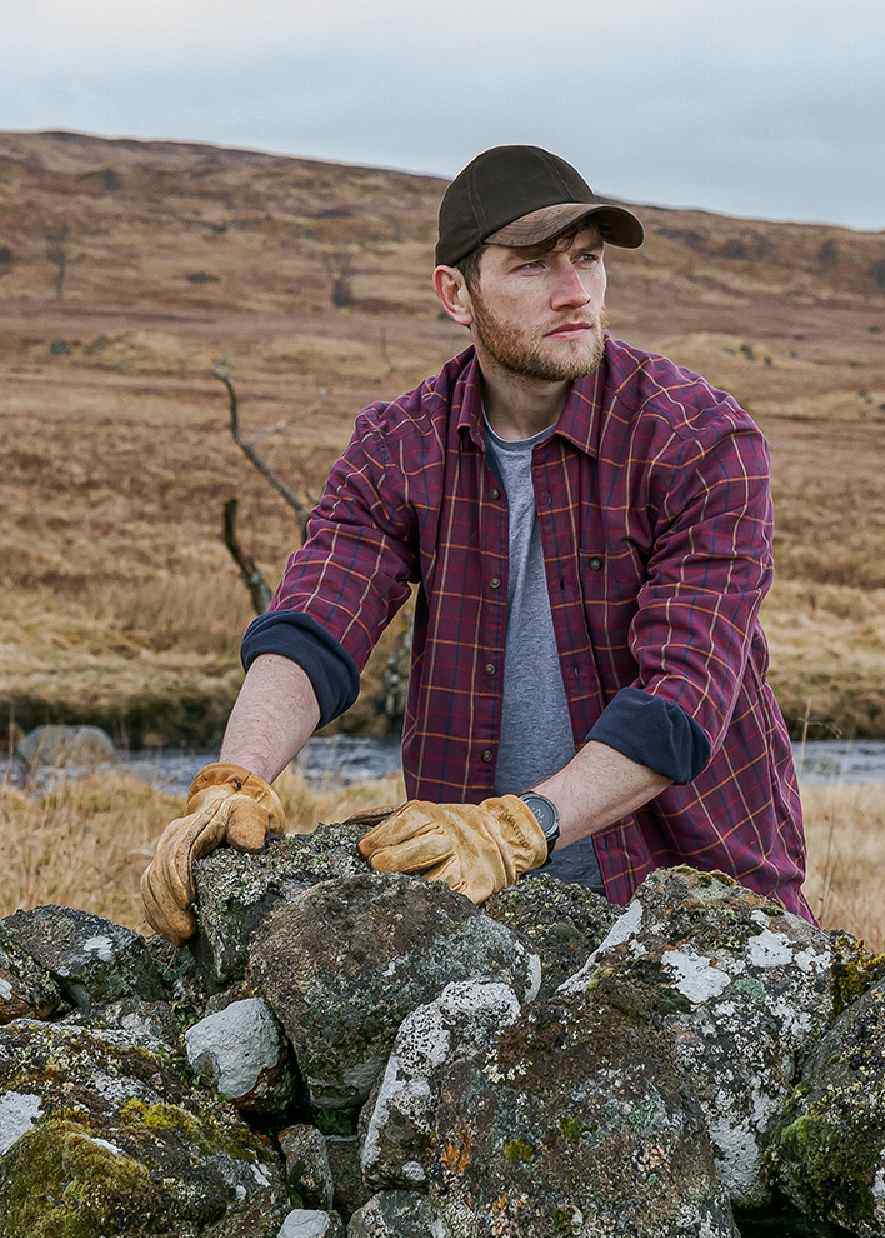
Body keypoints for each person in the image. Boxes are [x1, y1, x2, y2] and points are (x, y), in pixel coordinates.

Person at [141, 144, 814, 945]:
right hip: (474, 910)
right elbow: (318, 622)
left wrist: (518, 829)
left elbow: (683, 698)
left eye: (589, 260)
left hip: (698, 909)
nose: (575, 293)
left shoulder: (699, 440)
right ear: (455, 294)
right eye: (532, 267)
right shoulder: (399, 444)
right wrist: (237, 778)